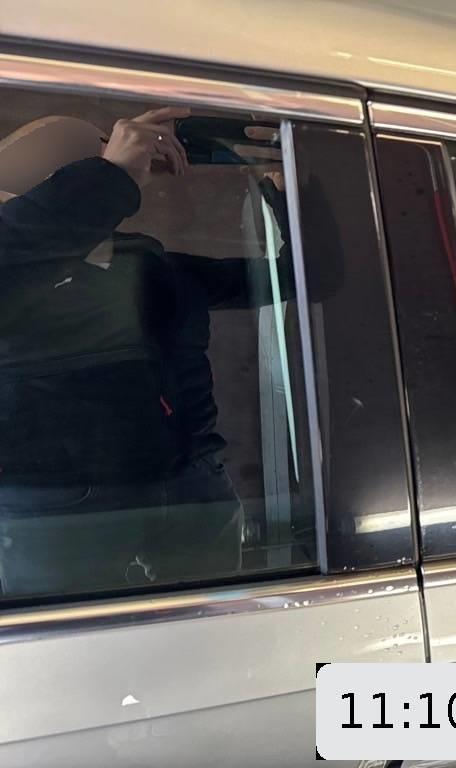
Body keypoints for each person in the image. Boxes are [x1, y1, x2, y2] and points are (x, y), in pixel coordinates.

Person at [0, 107, 290, 595]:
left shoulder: (156, 267)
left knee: (214, 631)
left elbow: (302, 277)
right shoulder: (16, 278)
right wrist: (111, 175)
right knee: (81, 638)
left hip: (193, 487)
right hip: (58, 509)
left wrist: (278, 187)